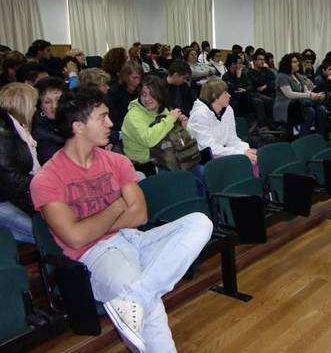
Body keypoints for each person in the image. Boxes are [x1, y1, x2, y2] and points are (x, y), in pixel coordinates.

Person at [30, 87, 212, 353]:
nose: (111, 123)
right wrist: (116, 207)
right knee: (150, 305)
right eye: (102, 117)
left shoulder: (116, 161)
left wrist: (93, 224)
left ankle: (132, 300)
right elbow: (75, 238)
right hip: (95, 256)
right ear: (79, 126)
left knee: (200, 222)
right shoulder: (47, 178)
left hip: (134, 239)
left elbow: (140, 214)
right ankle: (136, 299)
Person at [122, 75, 187, 177]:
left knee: (197, 170)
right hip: (145, 165)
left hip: (167, 155)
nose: (147, 99)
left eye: (152, 95)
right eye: (143, 94)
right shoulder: (133, 116)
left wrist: (183, 126)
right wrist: (170, 120)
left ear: (161, 95)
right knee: (181, 179)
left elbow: (181, 139)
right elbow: (149, 140)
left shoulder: (163, 110)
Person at [187, 78, 258, 170]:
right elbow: (209, 148)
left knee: (255, 157)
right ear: (214, 96)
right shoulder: (199, 115)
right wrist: (240, 153)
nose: (229, 95)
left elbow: (232, 139)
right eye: (225, 93)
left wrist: (245, 150)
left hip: (223, 152)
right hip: (206, 159)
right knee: (245, 161)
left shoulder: (228, 110)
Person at [0, 83, 40, 243]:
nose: (36, 109)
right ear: (24, 106)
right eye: (34, 105)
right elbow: (14, 184)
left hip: (12, 198)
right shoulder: (5, 138)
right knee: (46, 236)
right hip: (4, 202)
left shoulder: (19, 132)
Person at [274, 53, 327, 137]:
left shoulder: (299, 76)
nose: (298, 63)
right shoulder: (282, 76)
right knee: (310, 112)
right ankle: (303, 138)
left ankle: (319, 137)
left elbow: (306, 91)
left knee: (321, 109)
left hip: (299, 103)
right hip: (287, 105)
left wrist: (315, 95)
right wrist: (309, 96)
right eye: (294, 62)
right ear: (287, 64)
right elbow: (289, 94)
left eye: (297, 61)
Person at [107, 61, 144, 147]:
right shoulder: (114, 92)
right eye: (134, 78)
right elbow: (114, 119)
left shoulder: (141, 90)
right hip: (122, 131)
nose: (138, 82)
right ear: (125, 77)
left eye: (140, 78)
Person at [32, 77, 67, 165]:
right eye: (47, 102)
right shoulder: (40, 134)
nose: (54, 106)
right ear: (40, 106)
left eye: (58, 100)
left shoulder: (75, 120)